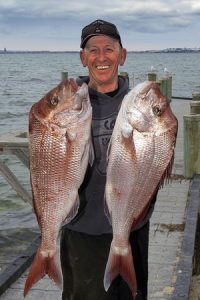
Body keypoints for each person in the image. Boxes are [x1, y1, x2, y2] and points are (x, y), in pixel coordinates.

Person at [60, 19, 157, 300]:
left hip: (131, 227)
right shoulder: (67, 107)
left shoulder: (140, 106)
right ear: (83, 58)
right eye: (93, 50)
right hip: (82, 230)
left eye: (109, 49)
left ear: (122, 55)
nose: (101, 57)